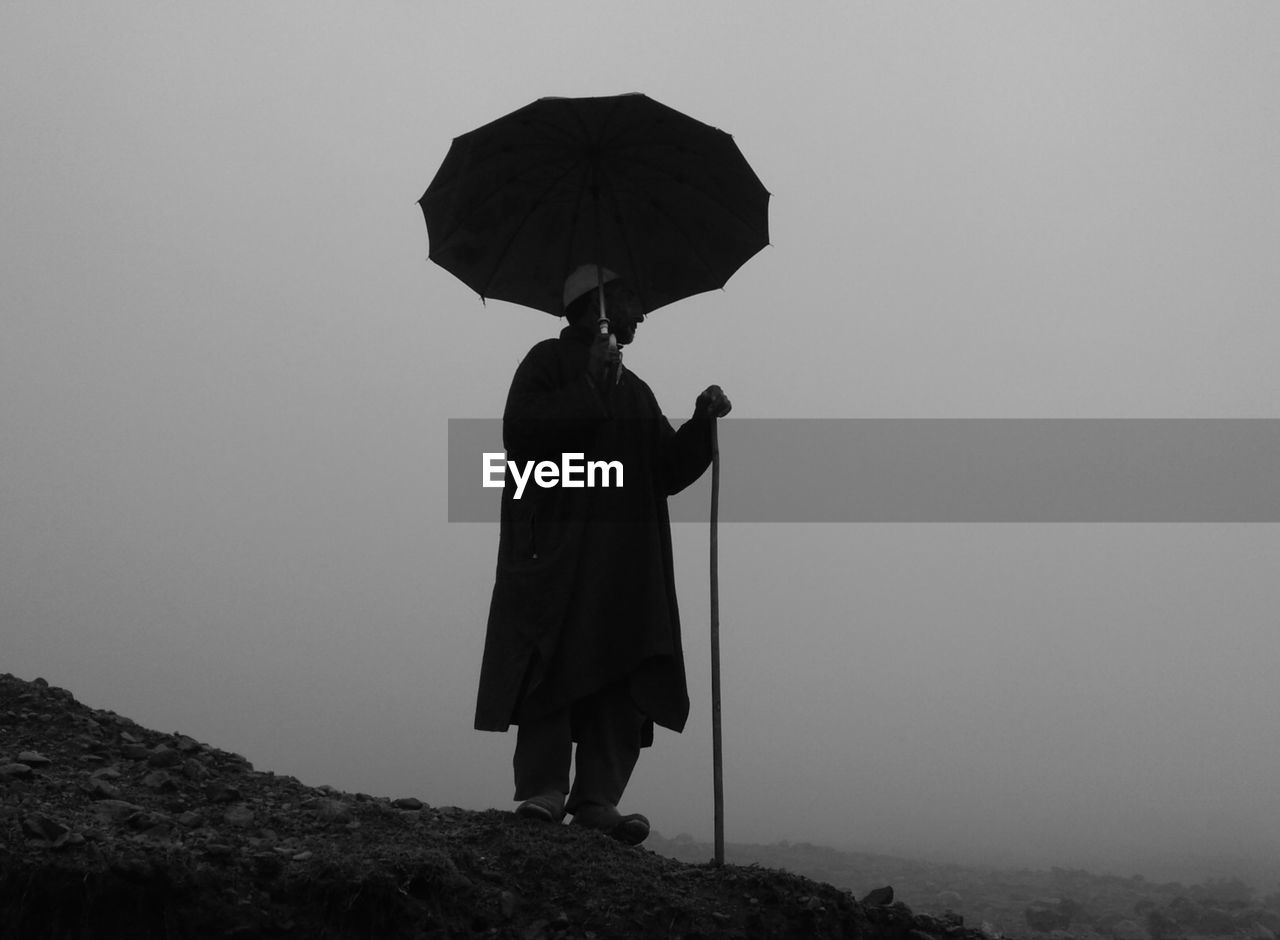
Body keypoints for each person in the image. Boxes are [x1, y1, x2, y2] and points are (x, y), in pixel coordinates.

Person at [474, 263, 731, 845]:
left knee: (623, 663)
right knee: (551, 659)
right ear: (600, 306)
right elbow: (522, 434)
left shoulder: (636, 389)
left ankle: (597, 799)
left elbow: (663, 470)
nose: (642, 315)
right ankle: (544, 788)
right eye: (632, 302)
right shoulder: (547, 362)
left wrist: (700, 425)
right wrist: (588, 387)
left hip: (625, 559)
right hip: (559, 549)